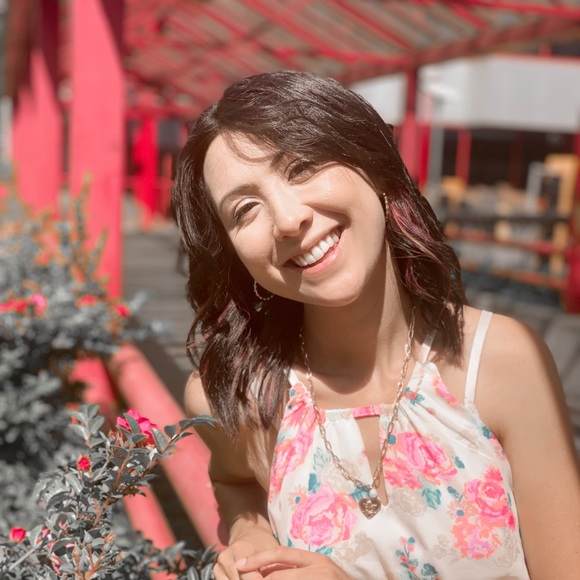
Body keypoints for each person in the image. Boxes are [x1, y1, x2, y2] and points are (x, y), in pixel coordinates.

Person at [172, 71, 580, 579]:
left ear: (374, 166)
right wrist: (249, 532)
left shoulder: (502, 362)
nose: (288, 219)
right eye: (245, 209)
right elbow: (234, 480)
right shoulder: (238, 396)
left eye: (302, 167)